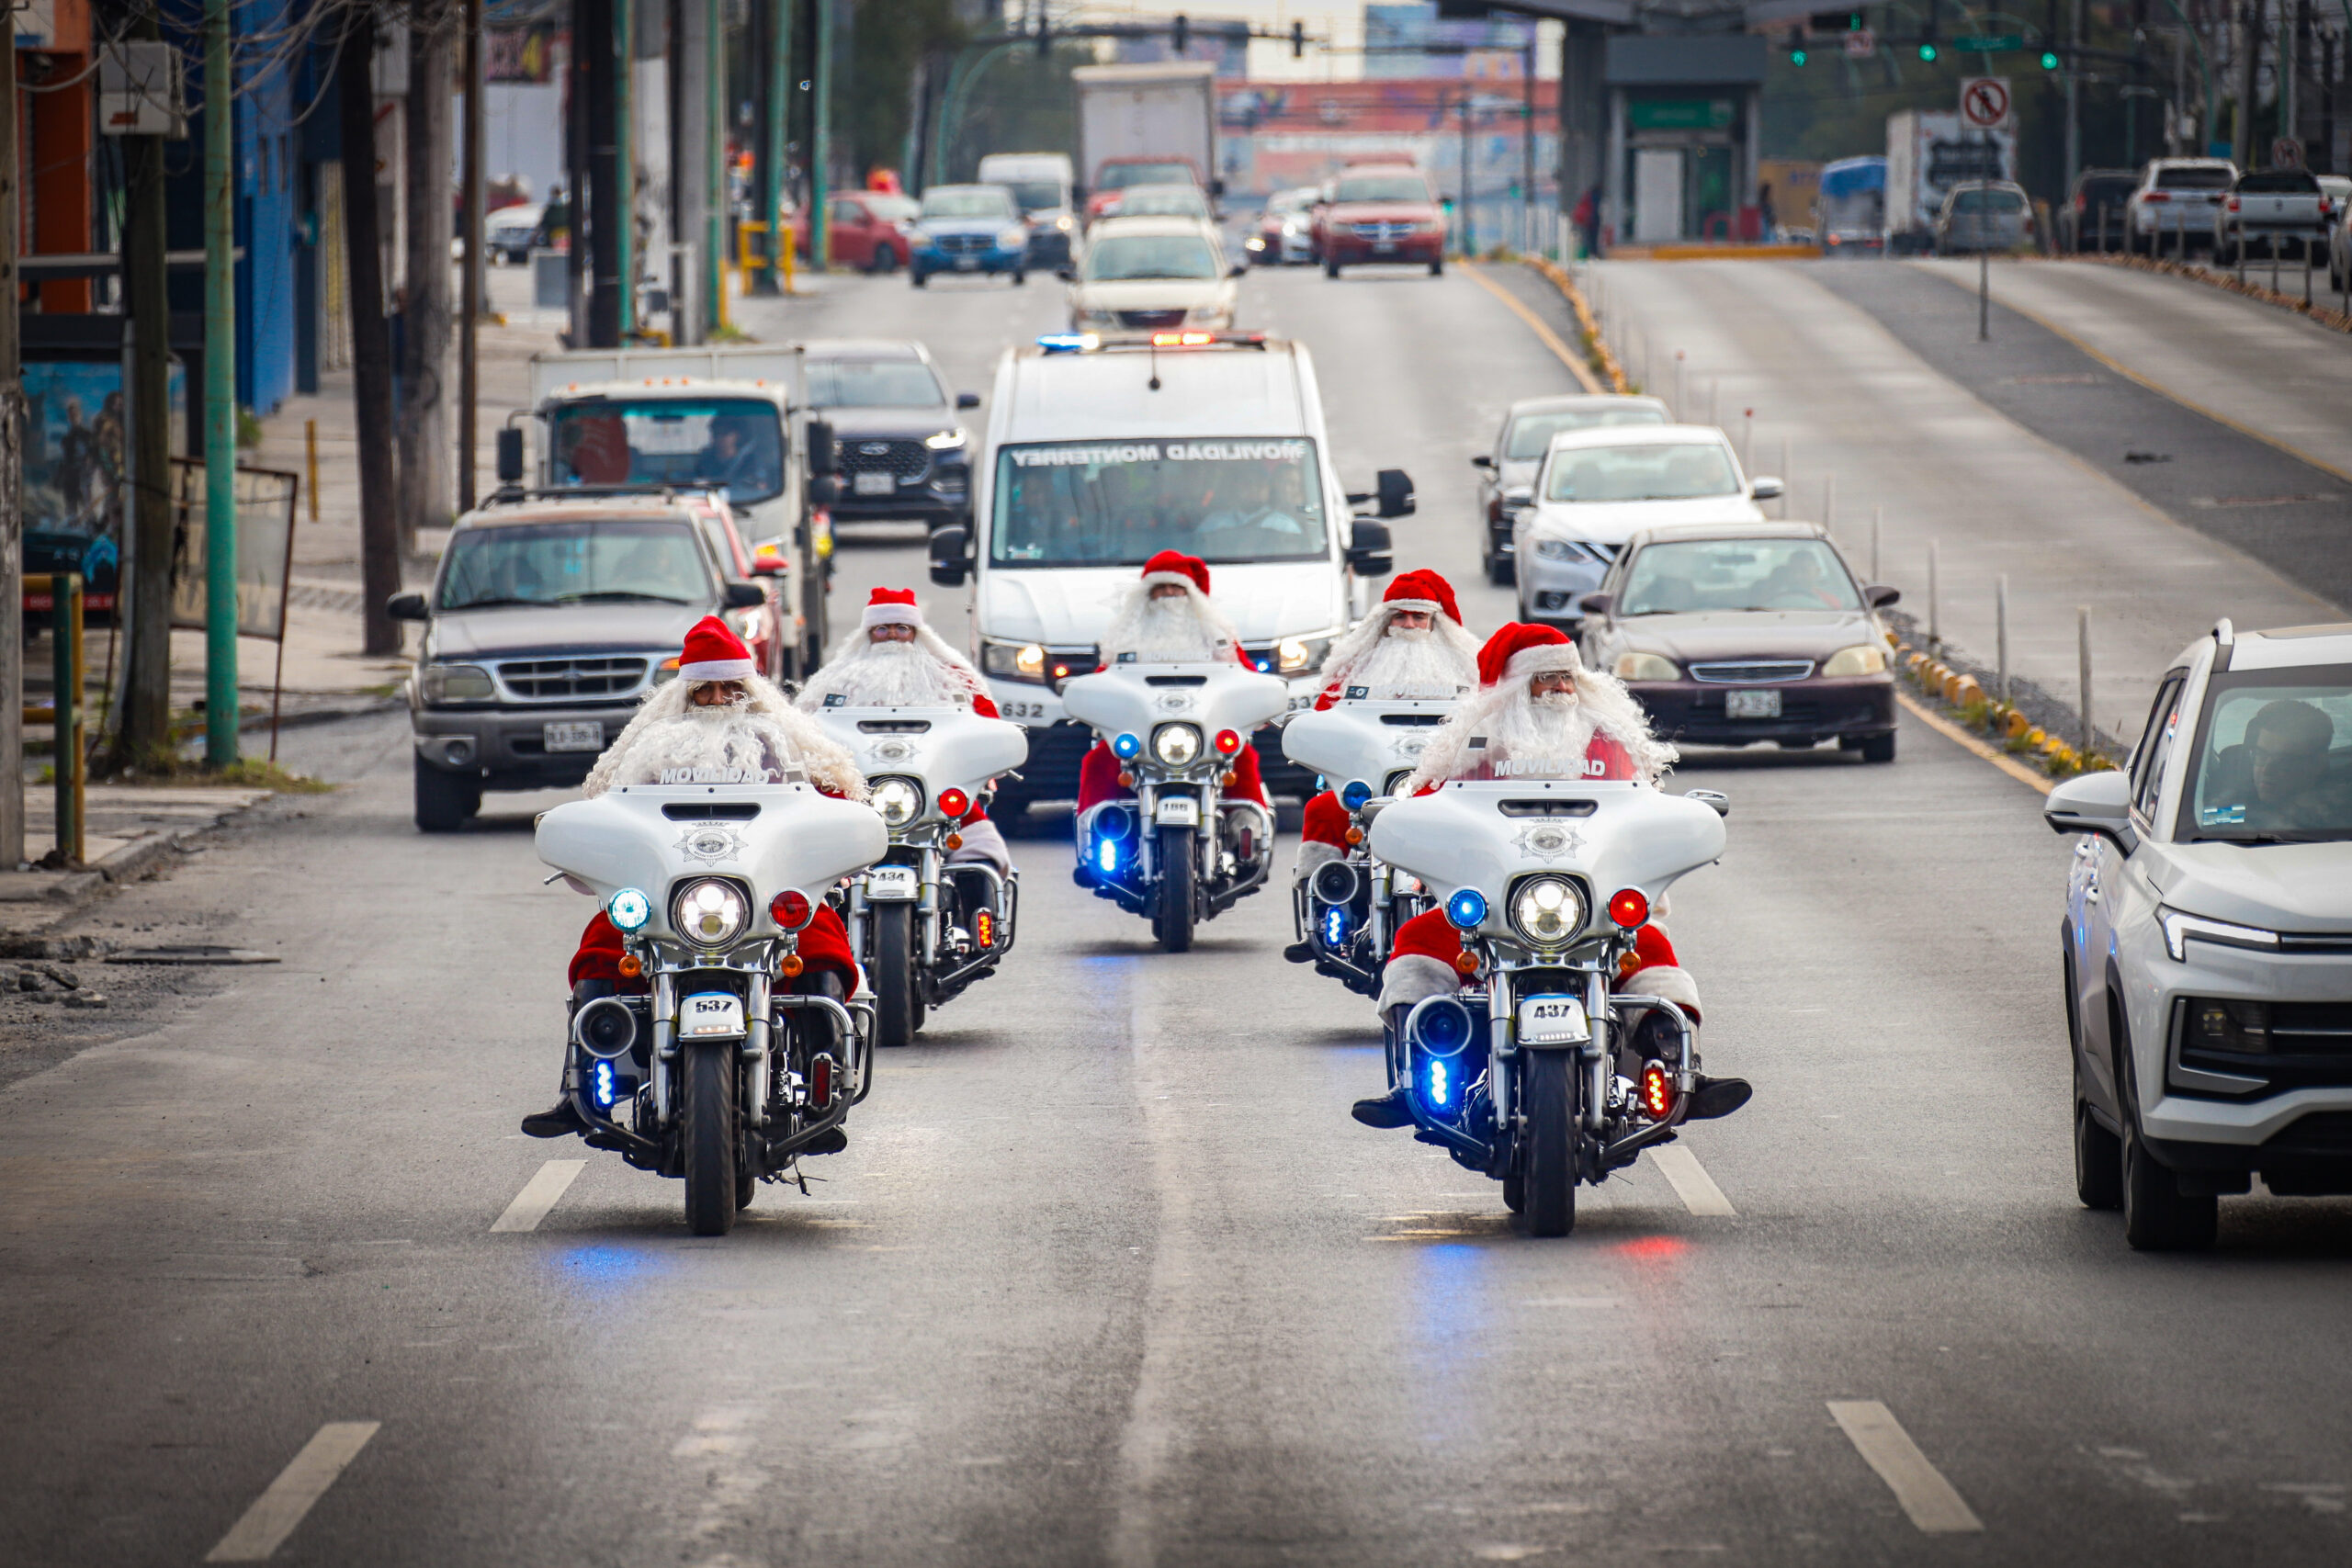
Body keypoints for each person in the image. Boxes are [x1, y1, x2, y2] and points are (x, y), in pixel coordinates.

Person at [1351, 622, 1747, 1129]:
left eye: (1566, 677)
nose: (1560, 689)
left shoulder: (1609, 742)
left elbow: (1648, 808)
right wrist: (1405, 825)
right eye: (1546, 679)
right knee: (1417, 940)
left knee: (1650, 945)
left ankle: (1676, 1062)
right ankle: (1412, 1077)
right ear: (1518, 687)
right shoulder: (1473, 750)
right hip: (1494, 909)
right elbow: (1430, 808)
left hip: (1594, 908)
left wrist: (1680, 826)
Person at [522, 616, 869, 1144]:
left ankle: (822, 1090)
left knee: (823, 953)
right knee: (599, 951)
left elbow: (834, 805)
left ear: (747, 689)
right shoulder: (647, 753)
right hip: (666, 902)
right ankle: (581, 1093)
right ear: (684, 693)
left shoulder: (790, 750)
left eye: (728, 687)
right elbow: (609, 811)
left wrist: (840, 842)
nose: (715, 699)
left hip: (765, 899)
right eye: (703, 688)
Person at [1285, 570, 1479, 963]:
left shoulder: (1469, 670)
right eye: (1400, 617)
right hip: (1370, 785)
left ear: (1434, 623)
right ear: (1385, 621)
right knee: (1322, 809)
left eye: (1419, 617)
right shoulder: (1354, 668)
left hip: (1440, 787)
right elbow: (1325, 715)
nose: (1409, 626)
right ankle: (1319, 914)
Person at [797, 586, 1012, 875]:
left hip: (934, 790)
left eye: (902, 628)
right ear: (869, 634)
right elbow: (801, 730)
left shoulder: (953, 677)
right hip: (858, 791)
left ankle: (980, 910)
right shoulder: (835, 680)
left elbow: (989, 726)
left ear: (916, 633)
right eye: (883, 629)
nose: (893, 636)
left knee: (982, 856)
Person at [1073, 550, 1270, 814]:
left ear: (1190, 594)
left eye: (1176, 587)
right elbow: (1104, 680)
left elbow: (1246, 677)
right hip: (1140, 736)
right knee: (1098, 761)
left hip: (1208, 734)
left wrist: (1261, 702)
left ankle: (1246, 825)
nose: (1168, 595)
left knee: (1242, 758)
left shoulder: (1219, 638)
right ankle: (1098, 826)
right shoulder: (1125, 639)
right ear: (1146, 595)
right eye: (1159, 588)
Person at [2211, 698, 2344, 830]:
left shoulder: (2341, 815)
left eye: (2284, 760)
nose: (2266, 770)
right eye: (2261, 755)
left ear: (2317, 765)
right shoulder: (2230, 810)